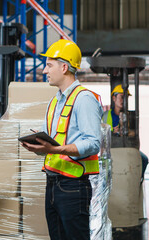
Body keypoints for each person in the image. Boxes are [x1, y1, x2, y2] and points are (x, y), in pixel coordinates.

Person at [21, 39, 103, 240]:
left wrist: (54, 149)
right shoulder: (55, 101)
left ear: (64, 67)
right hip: (53, 184)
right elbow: (52, 138)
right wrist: (37, 145)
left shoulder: (84, 99)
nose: (44, 70)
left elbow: (93, 143)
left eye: (49, 65)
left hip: (73, 186)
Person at [102, 84, 149, 181]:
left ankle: (138, 181)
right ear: (114, 98)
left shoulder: (131, 115)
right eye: (121, 97)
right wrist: (112, 131)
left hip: (127, 147)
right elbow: (101, 134)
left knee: (144, 159)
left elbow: (134, 133)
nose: (124, 100)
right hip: (111, 148)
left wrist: (127, 132)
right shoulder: (105, 115)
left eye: (126, 97)